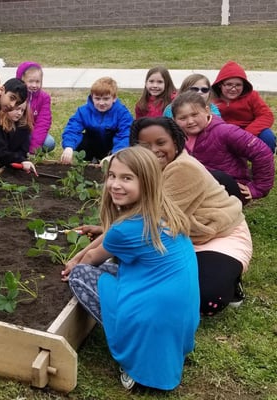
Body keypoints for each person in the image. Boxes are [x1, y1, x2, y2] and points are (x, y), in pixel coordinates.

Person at [61, 146, 199, 391]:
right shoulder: (163, 210)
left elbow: (94, 256)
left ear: (146, 182)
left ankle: (136, 359)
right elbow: (109, 237)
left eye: (126, 178)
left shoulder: (126, 230)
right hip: (179, 312)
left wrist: (75, 263)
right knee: (113, 269)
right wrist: (82, 253)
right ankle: (160, 346)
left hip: (152, 313)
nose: (115, 184)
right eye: (112, 176)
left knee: (81, 276)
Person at [130, 117, 251, 315]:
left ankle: (231, 280)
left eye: (161, 143)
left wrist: (92, 253)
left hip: (217, 234)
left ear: (176, 142)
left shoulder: (182, 168)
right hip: (179, 234)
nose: (153, 150)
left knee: (207, 300)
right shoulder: (143, 169)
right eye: (144, 145)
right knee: (160, 288)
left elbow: (147, 221)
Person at [171, 91, 274, 202]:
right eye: (182, 118)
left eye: (195, 114)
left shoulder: (225, 131)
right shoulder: (177, 137)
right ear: (174, 120)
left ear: (207, 110)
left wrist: (259, 188)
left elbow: (262, 152)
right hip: (198, 187)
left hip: (228, 188)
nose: (190, 121)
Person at [60, 77, 133, 163]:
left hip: (113, 146)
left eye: (106, 99)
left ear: (114, 98)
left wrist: (115, 154)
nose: (101, 103)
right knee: (80, 141)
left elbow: (125, 135)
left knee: (128, 145)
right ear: (92, 97)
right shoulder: (83, 111)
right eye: (97, 98)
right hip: (93, 145)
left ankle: (112, 159)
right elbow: (72, 128)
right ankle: (92, 160)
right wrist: (69, 147)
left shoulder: (122, 113)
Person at [211, 60, 276, 152]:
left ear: (244, 85)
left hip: (250, 130)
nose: (233, 89)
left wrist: (247, 134)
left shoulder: (252, 96)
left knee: (267, 136)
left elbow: (266, 115)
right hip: (224, 134)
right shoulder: (211, 99)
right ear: (220, 85)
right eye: (229, 85)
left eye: (238, 85)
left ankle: (264, 163)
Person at [0, 101, 36, 174]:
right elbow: (0, 153)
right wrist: (20, 160)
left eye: (22, 110)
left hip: (12, 163)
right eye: (17, 109)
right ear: (7, 108)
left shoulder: (24, 128)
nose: (19, 113)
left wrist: (21, 160)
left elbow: (23, 150)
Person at [16, 61, 56, 153]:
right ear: (21, 80)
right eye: (30, 81)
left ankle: (29, 150)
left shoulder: (44, 98)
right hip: (15, 131)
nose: (34, 85)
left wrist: (34, 148)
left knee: (49, 142)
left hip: (31, 132)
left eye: (37, 82)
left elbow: (43, 122)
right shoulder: (15, 95)